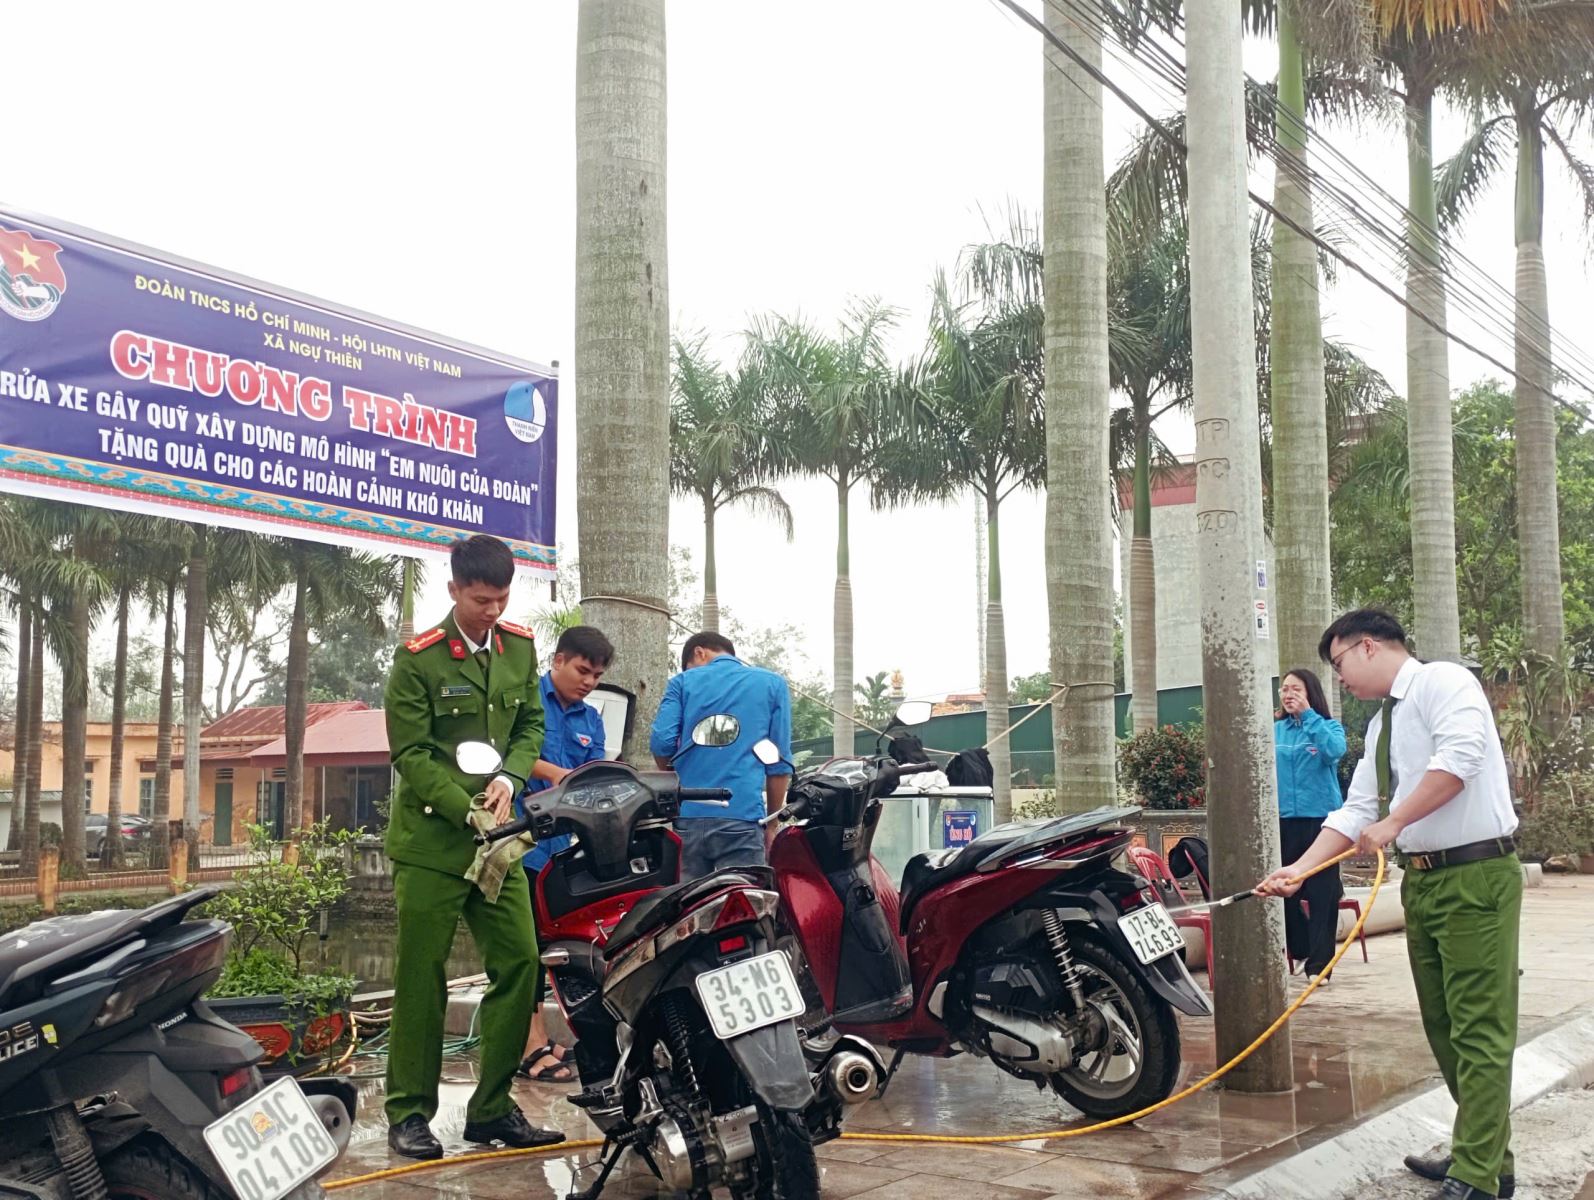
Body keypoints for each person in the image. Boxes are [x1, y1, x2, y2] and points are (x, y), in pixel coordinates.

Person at [1258, 609, 1519, 1200]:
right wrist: (1299, 870)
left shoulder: (1444, 684)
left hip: (1475, 873)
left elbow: (1460, 759)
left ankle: (1476, 1176)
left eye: (1340, 663)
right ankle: (1490, 1156)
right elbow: (1355, 811)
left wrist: (1396, 820)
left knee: (1480, 1026)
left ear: (1368, 646)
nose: (1340, 679)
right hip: (1423, 881)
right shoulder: (1383, 726)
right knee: (1445, 1026)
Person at [381, 534, 564, 1160]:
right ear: (454, 588)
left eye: (501, 598)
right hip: (434, 841)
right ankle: (409, 1113)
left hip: (499, 844)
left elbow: (530, 724)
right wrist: (465, 805)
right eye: (480, 598)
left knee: (520, 963)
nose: (491, 609)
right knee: (421, 977)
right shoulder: (418, 659)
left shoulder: (520, 647)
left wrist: (512, 778)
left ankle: (490, 1109)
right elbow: (411, 754)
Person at [512, 625, 614, 1085]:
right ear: (557, 661)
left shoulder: (592, 720)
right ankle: (528, 1045)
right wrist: (553, 772)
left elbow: (594, 776)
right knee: (524, 947)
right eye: (582, 669)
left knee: (554, 948)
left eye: (596, 674)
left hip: (567, 853)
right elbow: (505, 752)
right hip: (522, 845)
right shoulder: (523, 700)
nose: (589, 680)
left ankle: (538, 1035)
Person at [649, 631, 793, 878]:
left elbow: (661, 743)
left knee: (688, 907)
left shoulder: (682, 682)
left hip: (688, 819)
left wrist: (675, 780)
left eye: (689, 667)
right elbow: (778, 766)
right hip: (743, 818)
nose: (690, 672)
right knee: (745, 908)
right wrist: (771, 825)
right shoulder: (772, 684)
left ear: (699, 652)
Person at [1273, 667, 1347, 981]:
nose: (1288, 694)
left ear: (1310, 693)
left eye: (1296, 689)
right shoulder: (1274, 731)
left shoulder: (1328, 727)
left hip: (1321, 823)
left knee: (1322, 896)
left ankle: (1320, 968)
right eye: (1285, 689)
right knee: (1284, 892)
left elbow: (1334, 752)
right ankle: (1303, 949)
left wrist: (1310, 718)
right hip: (1283, 822)